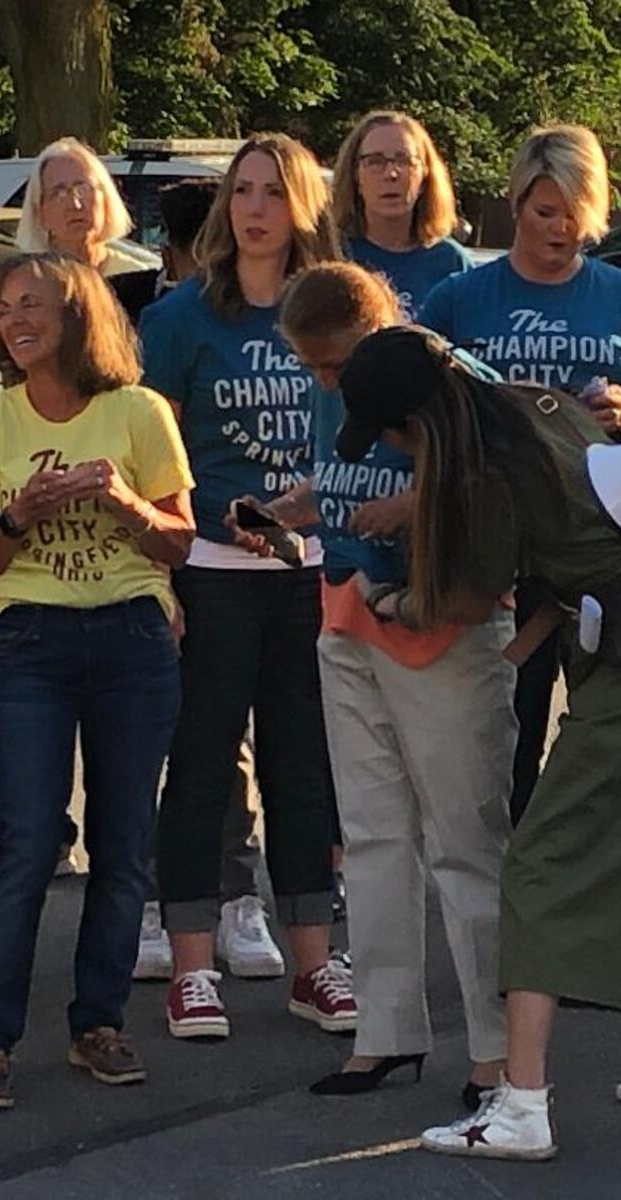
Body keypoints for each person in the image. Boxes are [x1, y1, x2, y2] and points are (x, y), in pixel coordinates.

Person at [328, 327, 621, 1160]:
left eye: (390, 431)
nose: (388, 447)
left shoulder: (480, 477)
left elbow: (464, 595)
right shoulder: (537, 408)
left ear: (420, 421)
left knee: (540, 862)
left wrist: (387, 602)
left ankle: (518, 1103)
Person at [235, 263, 513, 1106]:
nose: (326, 381)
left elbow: (508, 476)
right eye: (312, 368)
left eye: (333, 363)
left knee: (465, 845)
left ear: (378, 324)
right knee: (375, 836)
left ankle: (500, 1051)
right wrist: (287, 510)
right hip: (351, 613)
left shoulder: (452, 376)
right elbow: (347, 481)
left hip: (445, 629)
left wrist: (418, 503)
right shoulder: (337, 389)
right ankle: (386, 1031)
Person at [0, 252, 195, 1110]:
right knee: (23, 844)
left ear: (77, 312)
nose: (15, 320)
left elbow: (179, 542)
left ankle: (98, 1022)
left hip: (131, 634)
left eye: (33, 304)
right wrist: (24, 512)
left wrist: (126, 502)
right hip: (32, 643)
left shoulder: (139, 411)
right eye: (3, 308)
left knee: (124, 845)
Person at [139, 133, 354, 1042]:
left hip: (310, 574)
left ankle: (315, 965)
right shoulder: (183, 317)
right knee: (198, 771)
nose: (255, 208)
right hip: (214, 571)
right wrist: (175, 573)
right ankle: (192, 966)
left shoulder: (340, 307)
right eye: (242, 192)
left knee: (304, 772)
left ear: (304, 205)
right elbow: (156, 454)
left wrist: (311, 521)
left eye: (274, 191)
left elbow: (360, 441)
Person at [419, 125, 621, 824]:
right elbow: (416, 413)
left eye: (577, 212)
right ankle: (504, 874)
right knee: (503, 733)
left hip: (604, 539)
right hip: (497, 546)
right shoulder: (460, 297)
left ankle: (592, 863)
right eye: (545, 211)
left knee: (608, 728)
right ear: (516, 203)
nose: (561, 228)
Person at [135, 174, 276, 986]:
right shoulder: (172, 322)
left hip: (295, 564)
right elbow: (157, 454)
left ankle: (238, 896)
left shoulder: (317, 300)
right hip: (199, 557)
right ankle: (165, 901)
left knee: (267, 755)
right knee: (193, 744)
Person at [333, 110, 471, 317]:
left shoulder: (451, 263)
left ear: (425, 176)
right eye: (375, 161)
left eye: (404, 160)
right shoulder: (334, 255)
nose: (391, 173)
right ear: (355, 175)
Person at [16, 138, 159, 324]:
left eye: (83, 188)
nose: (75, 204)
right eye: (59, 193)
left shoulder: (141, 279)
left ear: (106, 197)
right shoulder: (24, 285)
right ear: (39, 212)